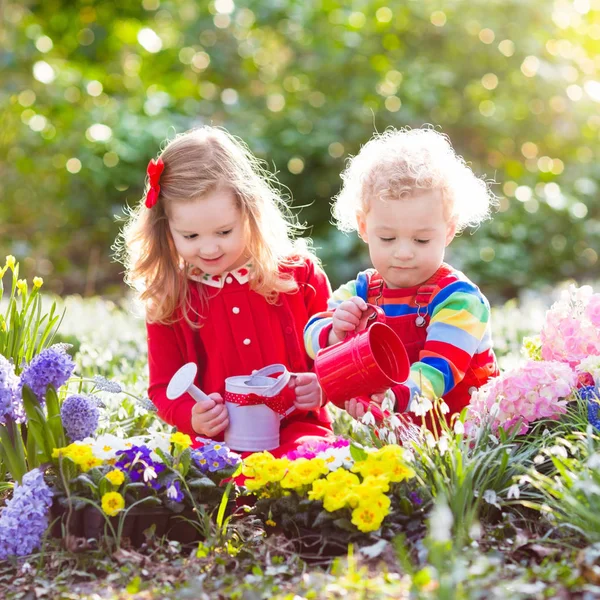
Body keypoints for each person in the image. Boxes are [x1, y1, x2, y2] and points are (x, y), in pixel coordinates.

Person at [119, 126, 333, 455]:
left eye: (223, 231)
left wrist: (321, 386)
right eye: (190, 236)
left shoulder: (297, 277)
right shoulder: (171, 296)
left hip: (296, 433)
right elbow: (163, 389)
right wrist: (192, 417)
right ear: (166, 229)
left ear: (251, 213)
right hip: (214, 447)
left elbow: (337, 357)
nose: (209, 249)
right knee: (198, 488)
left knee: (308, 468)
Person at [304, 127, 499, 426]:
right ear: (364, 227)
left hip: (464, 435)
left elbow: (441, 367)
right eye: (387, 238)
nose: (404, 253)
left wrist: (393, 396)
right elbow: (311, 335)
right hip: (399, 434)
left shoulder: (459, 299)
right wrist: (334, 332)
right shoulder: (359, 291)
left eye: (421, 240)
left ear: (448, 230)